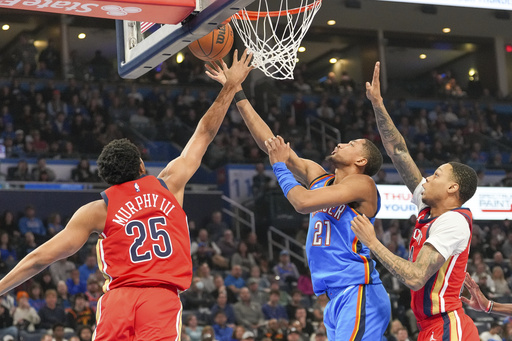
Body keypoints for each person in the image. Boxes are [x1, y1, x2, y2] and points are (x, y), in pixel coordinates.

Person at [0, 50, 253, 341]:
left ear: (108, 179)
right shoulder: (169, 184)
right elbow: (204, 133)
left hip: (118, 300)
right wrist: (230, 86)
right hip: (160, 299)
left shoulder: (97, 210)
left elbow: (39, 258)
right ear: (141, 165)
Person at [206, 59, 390, 340]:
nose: (340, 143)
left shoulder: (363, 185)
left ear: (362, 160)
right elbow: (272, 144)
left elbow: (302, 202)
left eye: (351, 145)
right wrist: (237, 91)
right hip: (336, 297)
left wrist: (279, 166)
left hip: (359, 290)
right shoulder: (320, 177)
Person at [350, 61, 479, 341]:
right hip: (431, 326)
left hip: (447, 325)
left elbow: (416, 277)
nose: (428, 178)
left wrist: (373, 243)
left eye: (436, 175)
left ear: (452, 189)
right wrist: (378, 104)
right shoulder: (429, 208)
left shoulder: (453, 222)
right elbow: (398, 151)